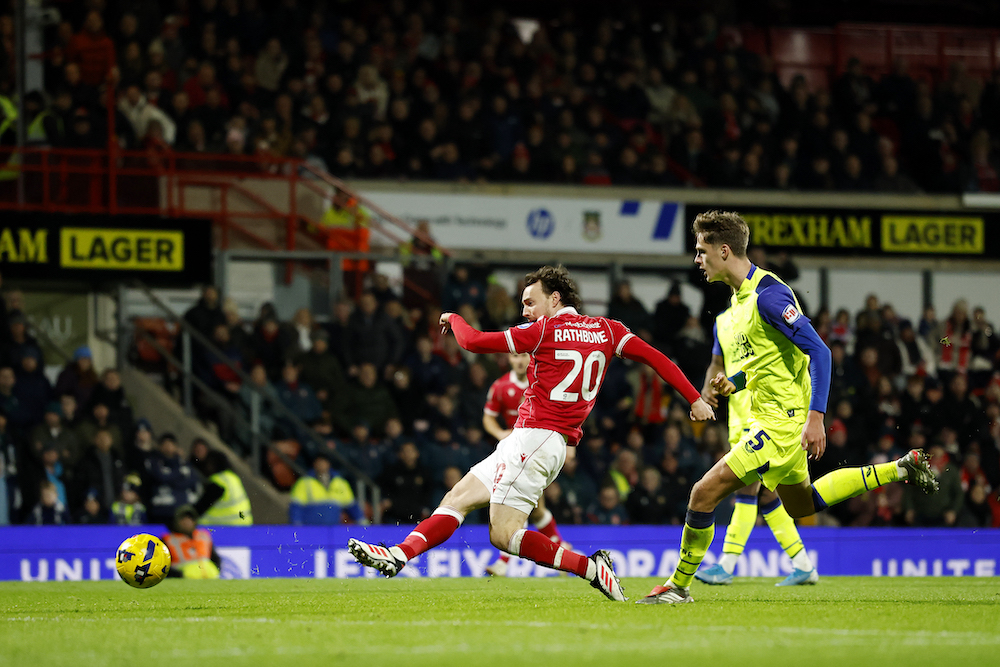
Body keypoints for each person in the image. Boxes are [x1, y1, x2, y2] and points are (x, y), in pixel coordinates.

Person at [349, 265, 715, 601]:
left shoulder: (544, 330)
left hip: (535, 438)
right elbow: (658, 359)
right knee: (457, 497)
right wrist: (694, 398)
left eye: (530, 302)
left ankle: (591, 568)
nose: (525, 310)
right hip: (537, 440)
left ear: (555, 298)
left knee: (503, 534)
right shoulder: (608, 330)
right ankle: (399, 555)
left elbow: (472, 341)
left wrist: (453, 317)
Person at [639, 211, 938, 605]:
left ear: (724, 251)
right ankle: (900, 468)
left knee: (702, 494)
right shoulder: (739, 301)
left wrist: (816, 417)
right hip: (773, 419)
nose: (697, 259)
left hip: (782, 424)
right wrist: (736, 382)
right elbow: (770, 362)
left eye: (701, 251)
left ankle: (678, 586)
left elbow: (820, 352)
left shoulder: (769, 295)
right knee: (802, 503)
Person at [692, 306, 819, 587]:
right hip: (738, 415)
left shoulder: (762, 313)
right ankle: (803, 565)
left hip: (766, 413)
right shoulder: (722, 322)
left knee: (748, 489)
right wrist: (707, 386)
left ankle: (726, 564)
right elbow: (717, 362)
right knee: (768, 495)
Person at [482, 352, 569, 576]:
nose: (519, 361)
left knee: (523, 504)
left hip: (537, 450)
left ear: (531, 357)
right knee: (535, 509)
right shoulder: (500, 386)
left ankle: (504, 562)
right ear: (509, 359)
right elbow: (488, 417)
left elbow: (563, 412)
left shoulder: (543, 381)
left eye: (523, 355)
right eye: (514, 356)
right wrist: (500, 433)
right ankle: (561, 548)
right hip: (513, 452)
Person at [288, 452, 364, 525]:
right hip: (311, 529)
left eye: (324, 462)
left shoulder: (340, 483)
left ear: (329, 464)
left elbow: (351, 505)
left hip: (333, 529)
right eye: (319, 462)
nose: (321, 465)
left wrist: (361, 520)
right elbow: (296, 506)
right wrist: (296, 523)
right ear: (314, 464)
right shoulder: (305, 483)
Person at [161, 505, 222, 579]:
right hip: (183, 578)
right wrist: (179, 575)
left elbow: (215, 558)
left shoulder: (204, 536)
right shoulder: (168, 540)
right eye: (183, 519)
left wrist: (215, 570)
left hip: (209, 577)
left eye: (190, 518)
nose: (187, 522)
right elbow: (162, 564)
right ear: (176, 521)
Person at [194, 450, 253, 525]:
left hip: (225, 526)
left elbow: (202, 506)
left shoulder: (219, 481)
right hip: (245, 523)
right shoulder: (233, 477)